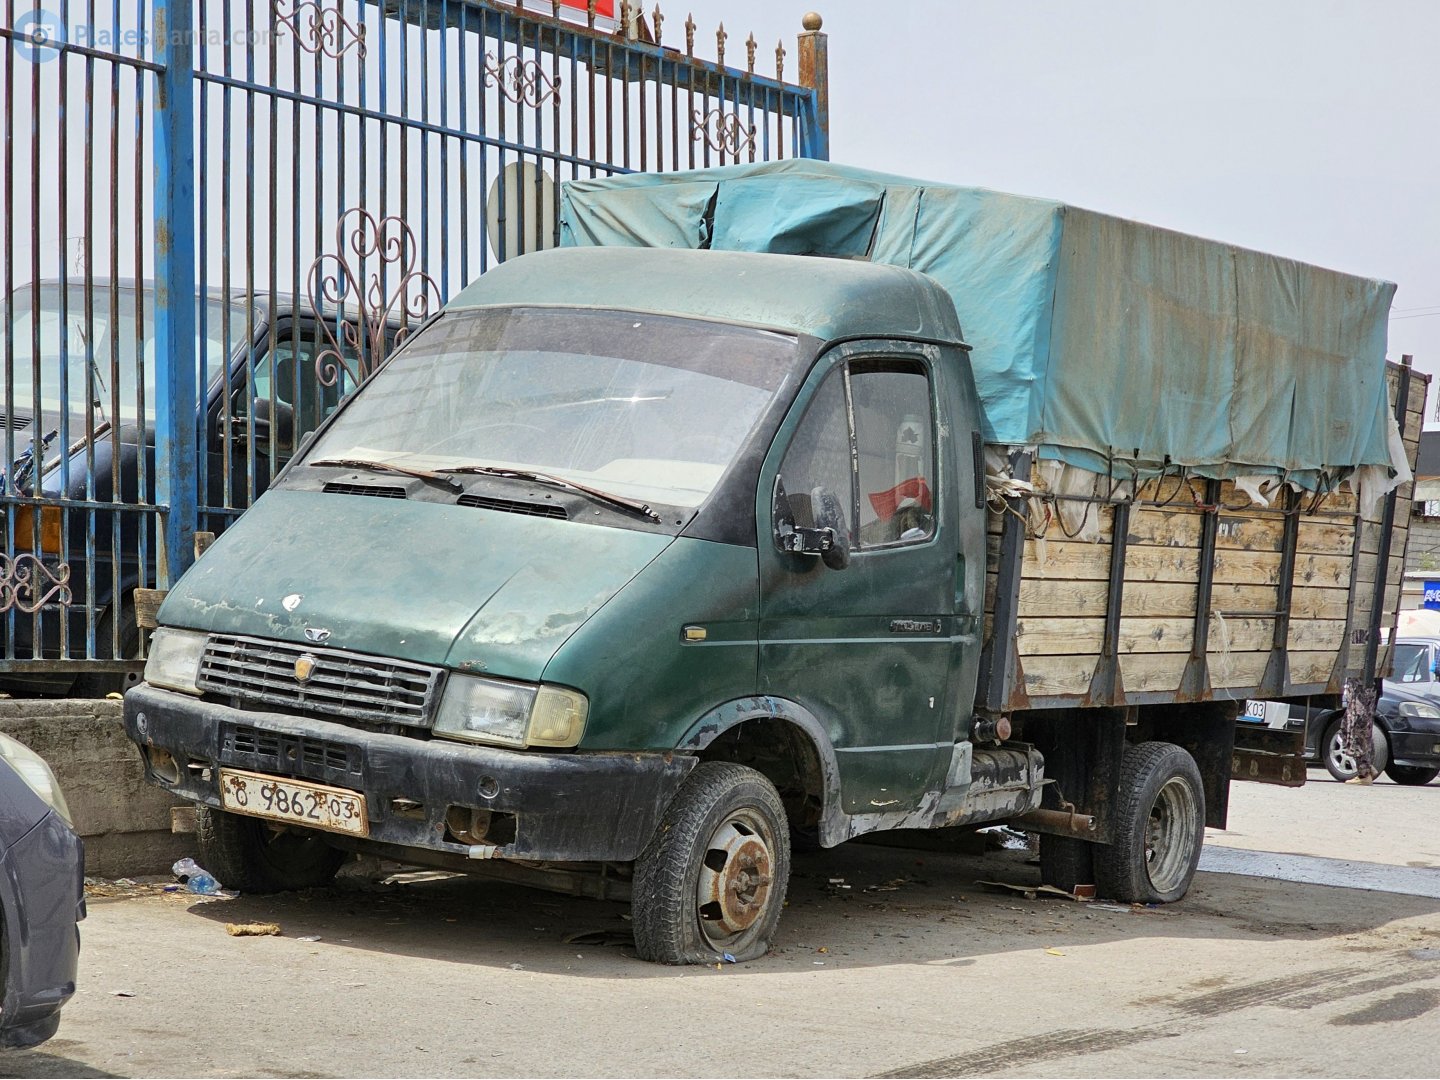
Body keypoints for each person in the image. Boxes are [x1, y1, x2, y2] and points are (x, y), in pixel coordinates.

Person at [1339, 676, 1377, 785]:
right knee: (1346, 728)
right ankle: (1367, 767)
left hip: (1361, 694)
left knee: (1358, 732)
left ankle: (1364, 774)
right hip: (1360, 693)